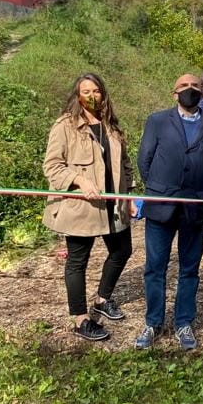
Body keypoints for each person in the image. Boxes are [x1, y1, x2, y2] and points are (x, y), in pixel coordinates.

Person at [135, 73, 203, 351]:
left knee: (189, 269)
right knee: (155, 267)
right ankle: (153, 322)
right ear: (174, 93)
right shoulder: (157, 121)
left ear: (201, 93)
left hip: (196, 206)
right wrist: (158, 187)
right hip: (161, 205)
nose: (190, 90)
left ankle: (183, 322)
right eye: (184, 86)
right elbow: (145, 159)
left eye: (194, 87)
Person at [43, 73, 136, 342]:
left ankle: (101, 299)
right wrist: (79, 179)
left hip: (113, 204)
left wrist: (128, 195)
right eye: (86, 91)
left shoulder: (111, 126)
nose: (92, 96)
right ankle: (80, 319)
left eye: (96, 91)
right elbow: (51, 166)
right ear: (77, 95)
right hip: (80, 207)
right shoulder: (65, 126)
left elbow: (125, 165)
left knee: (122, 251)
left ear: (103, 93)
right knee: (77, 261)